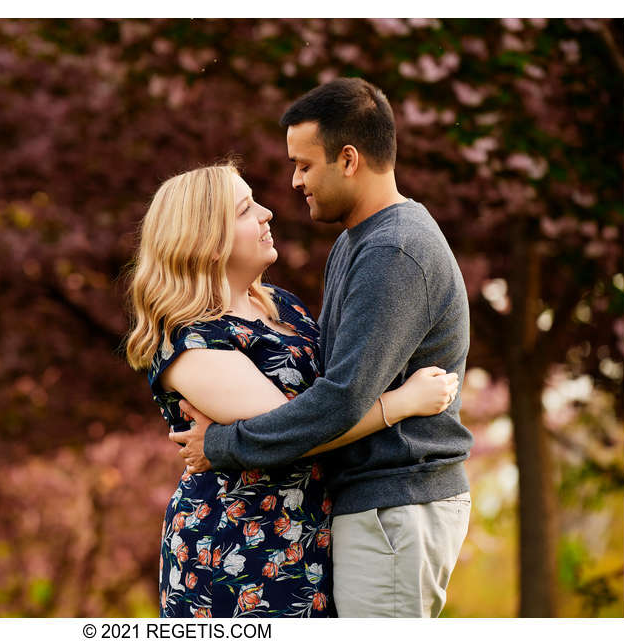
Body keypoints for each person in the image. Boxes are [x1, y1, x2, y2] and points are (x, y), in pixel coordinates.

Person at [171, 79, 474, 618]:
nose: (294, 183)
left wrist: (220, 445)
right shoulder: (356, 243)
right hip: (353, 509)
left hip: (394, 501)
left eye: (305, 165)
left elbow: (339, 399)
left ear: (349, 159)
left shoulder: (394, 251)